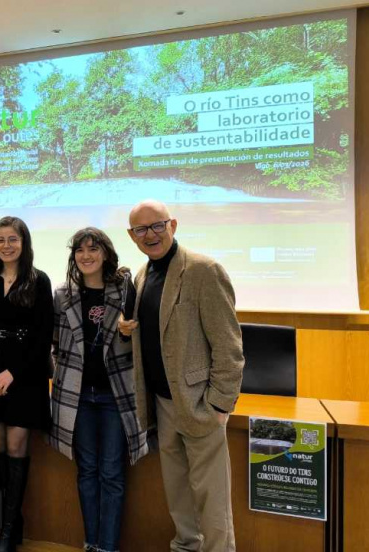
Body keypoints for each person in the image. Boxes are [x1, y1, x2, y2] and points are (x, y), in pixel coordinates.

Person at [118, 200, 244, 552]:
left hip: (199, 404)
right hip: (162, 403)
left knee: (212, 498)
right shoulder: (143, 276)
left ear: (173, 225)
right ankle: (186, 546)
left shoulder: (205, 270)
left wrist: (219, 404)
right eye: (141, 229)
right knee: (177, 492)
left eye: (157, 225)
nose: (150, 234)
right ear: (132, 236)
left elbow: (229, 346)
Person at [48, 227, 150, 552]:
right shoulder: (63, 294)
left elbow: (141, 340)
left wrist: (124, 334)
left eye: (93, 249)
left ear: (105, 252)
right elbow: (54, 343)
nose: (86, 256)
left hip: (114, 397)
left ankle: (107, 547)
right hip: (77, 398)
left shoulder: (124, 290)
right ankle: (91, 543)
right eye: (80, 250)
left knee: (112, 474)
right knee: (87, 471)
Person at [0, 216, 53, 552]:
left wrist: (11, 374)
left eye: (12, 239)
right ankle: (11, 523)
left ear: (24, 243)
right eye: (0, 239)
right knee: (0, 445)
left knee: (17, 446)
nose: (6, 245)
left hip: (24, 379)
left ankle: (8, 529)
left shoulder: (39, 280)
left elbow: (42, 335)